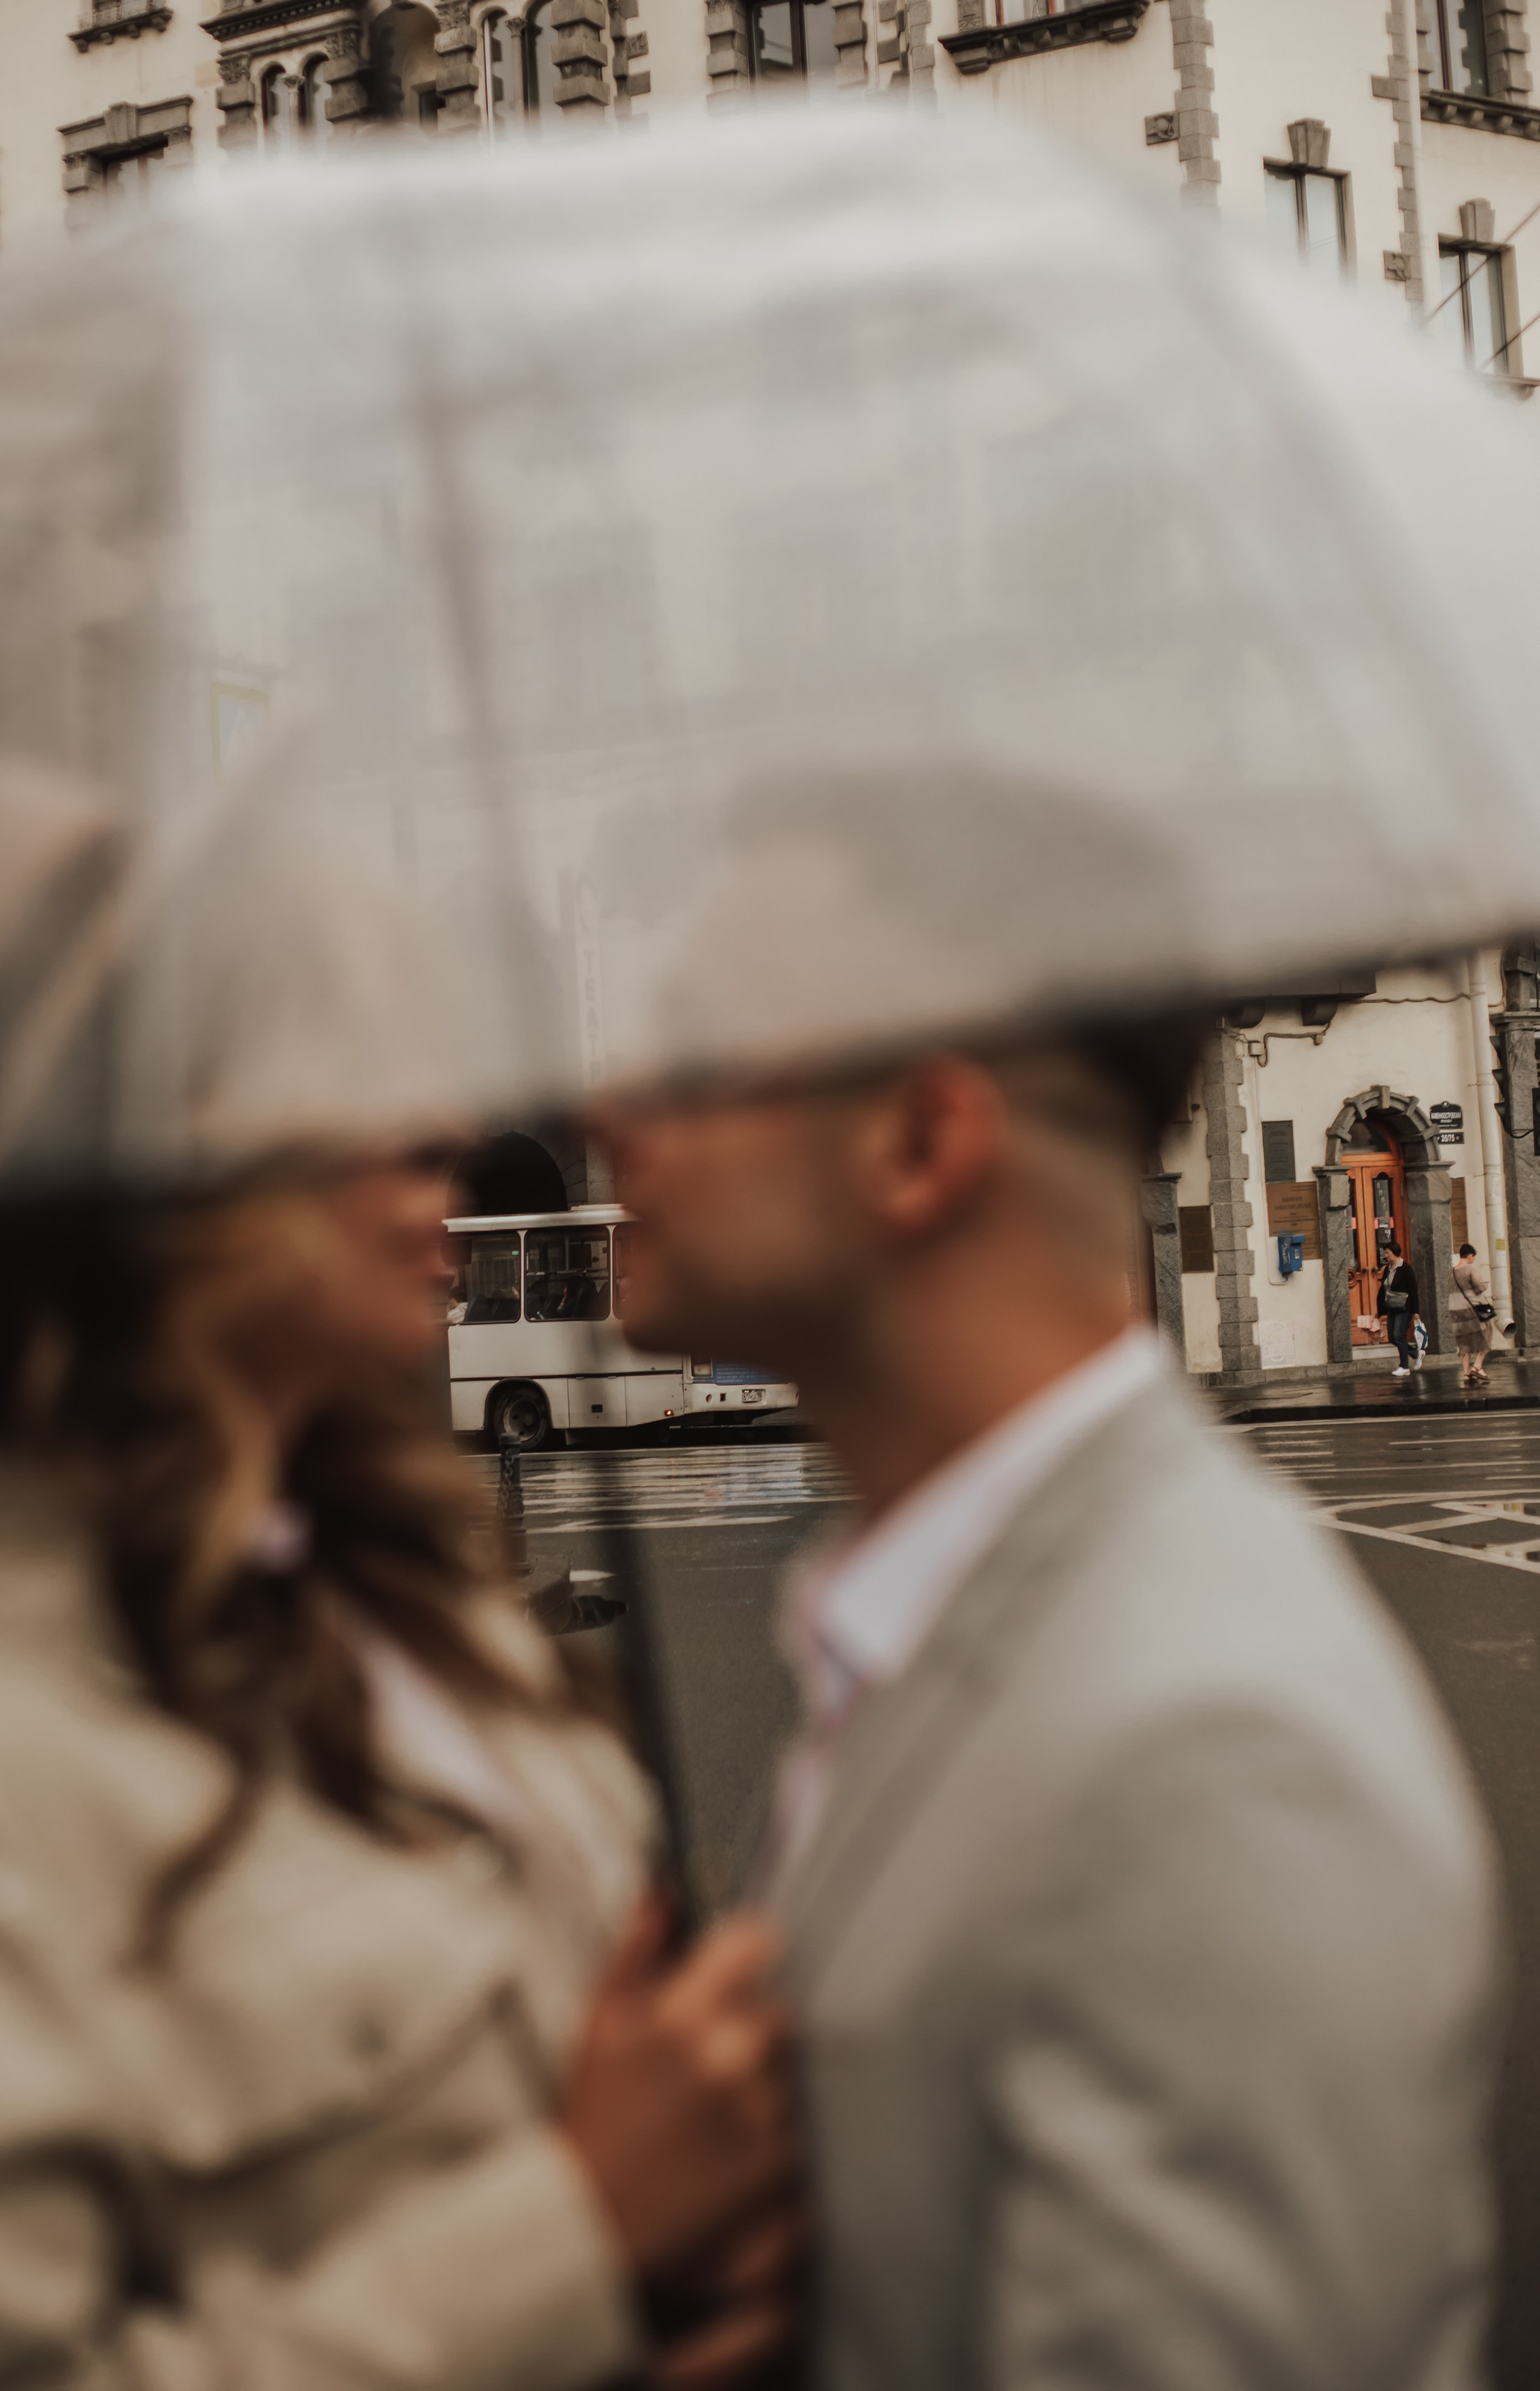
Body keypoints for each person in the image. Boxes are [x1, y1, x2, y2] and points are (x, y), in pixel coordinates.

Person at [0, 762, 800, 2391]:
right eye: (362, 1063)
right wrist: (573, 2237)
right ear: (165, 1155)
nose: (445, 1127)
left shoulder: (428, 1602)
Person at [599, 1020, 1501, 2391]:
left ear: (919, 1141)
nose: (612, 1106)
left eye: (701, 1051)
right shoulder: (944, 1607)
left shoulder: (1211, 1761)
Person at [1450, 1240, 1495, 1388]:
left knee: (1463, 1342)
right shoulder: (1470, 1269)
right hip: (1471, 1310)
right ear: (1470, 1256)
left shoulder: (1452, 1272)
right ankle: (1477, 1367)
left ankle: (1466, 1374)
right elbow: (1480, 1287)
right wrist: (1484, 1286)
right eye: (1473, 1258)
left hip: (1455, 1312)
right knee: (1486, 1334)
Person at [1379, 1237, 1424, 1379]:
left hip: (1405, 1308)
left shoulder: (1406, 1269)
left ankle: (1404, 1367)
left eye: (1387, 1253)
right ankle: (1416, 1353)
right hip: (1392, 1307)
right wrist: (1380, 1311)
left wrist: (1416, 1311)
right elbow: (1383, 1289)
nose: (1386, 1256)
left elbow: (1414, 1290)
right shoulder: (1388, 1269)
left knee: (1399, 1336)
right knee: (1393, 1338)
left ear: (1395, 1253)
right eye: (1385, 1253)